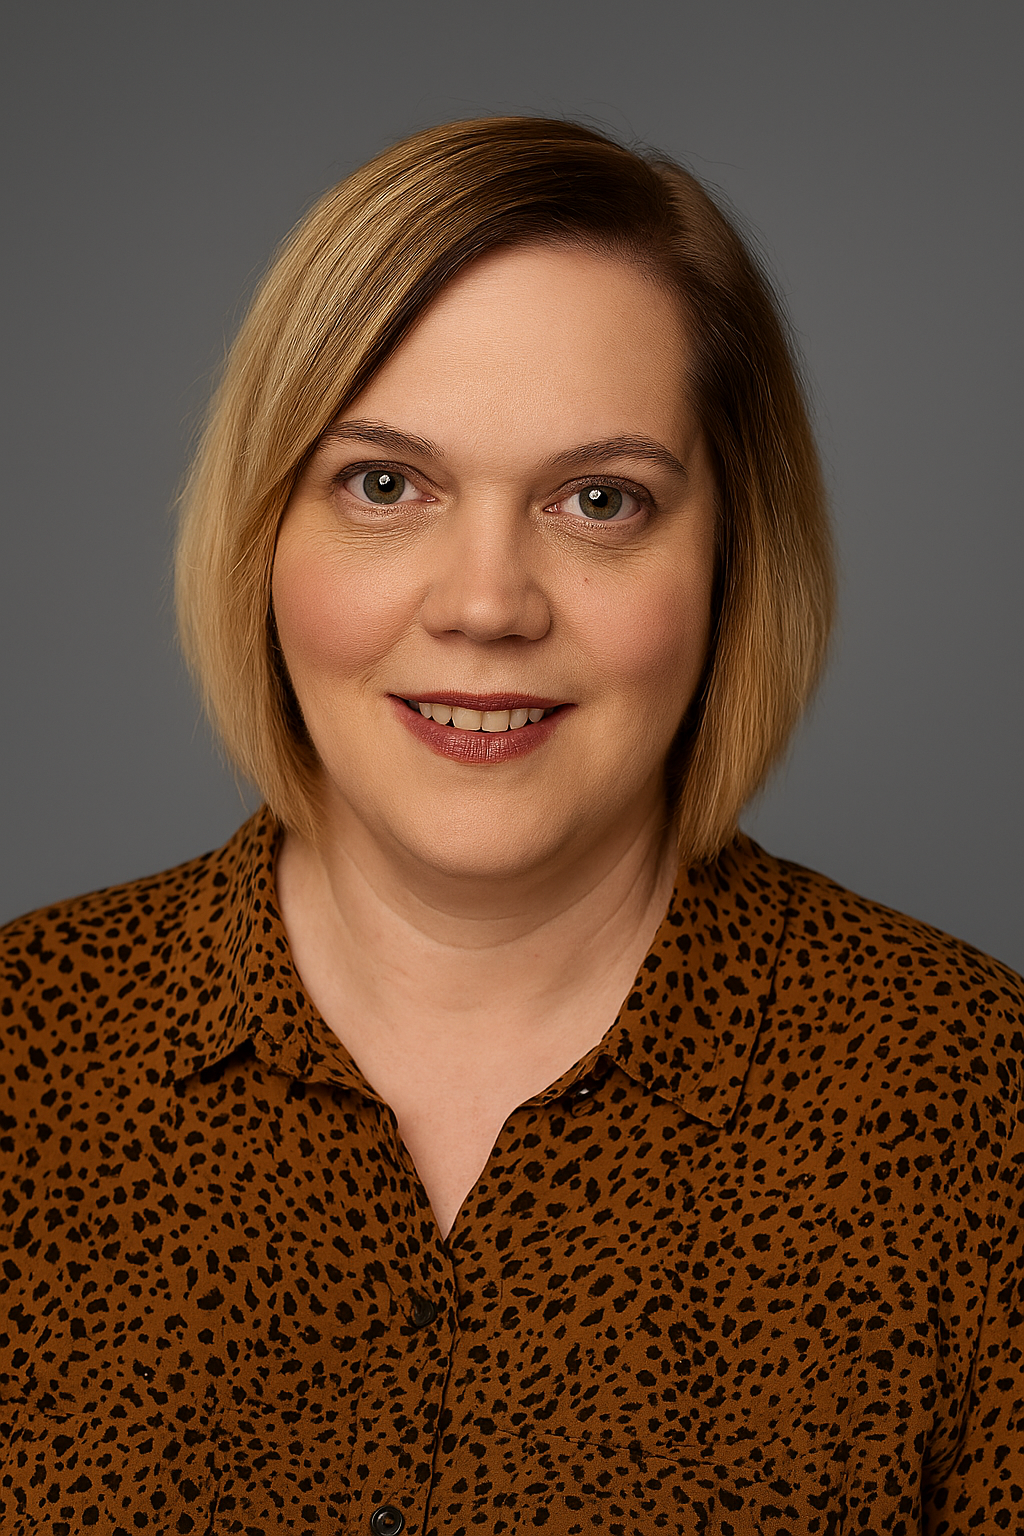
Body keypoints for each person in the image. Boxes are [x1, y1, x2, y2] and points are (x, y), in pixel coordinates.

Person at [1, 116, 1020, 1536]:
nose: (487, 602)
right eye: (384, 486)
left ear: (732, 559)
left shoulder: (977, 1111)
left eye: (600, 501)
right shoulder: (22, 1071)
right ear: (262, 532)